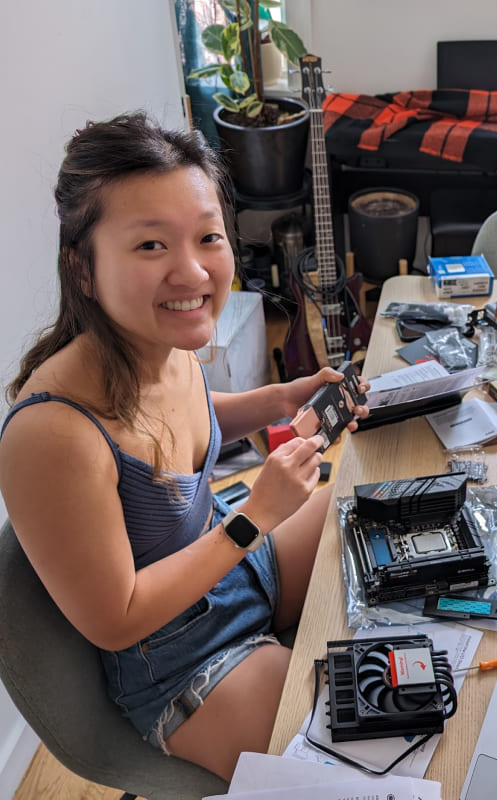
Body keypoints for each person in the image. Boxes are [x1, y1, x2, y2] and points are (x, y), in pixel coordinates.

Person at [0, 111, 369, 781]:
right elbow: (116, 620)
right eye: (151, 246)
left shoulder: (157, 345)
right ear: (81, 269)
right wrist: (254, 516)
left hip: (229, 573)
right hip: (175, 660)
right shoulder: (49, 436)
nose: (192, 270)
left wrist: (281, 400)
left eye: (207, 237)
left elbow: (189, 424)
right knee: (360, 745)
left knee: (372, 518)